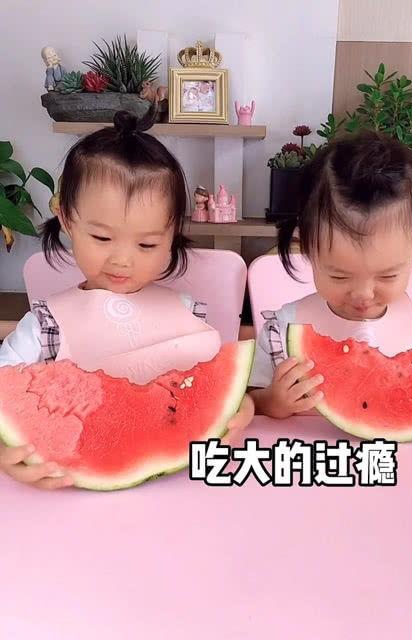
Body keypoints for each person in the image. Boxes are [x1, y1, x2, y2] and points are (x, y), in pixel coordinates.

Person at [0, 103, 253, 488]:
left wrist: (241, 407)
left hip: (182, 492)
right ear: (67, 220)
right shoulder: (45, 327)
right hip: (70, 492)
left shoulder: (186, 312)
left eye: (147, 244)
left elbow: (213, 383)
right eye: (102, 238)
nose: (122, 260)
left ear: (172, 236)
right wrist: (6, 454)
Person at [249, 130, 412, 418]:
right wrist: (271, 402)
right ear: (307, 248)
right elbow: (250, 403)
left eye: (388, 276)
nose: (363, 295)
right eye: (339, 276)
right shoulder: (280, 331)